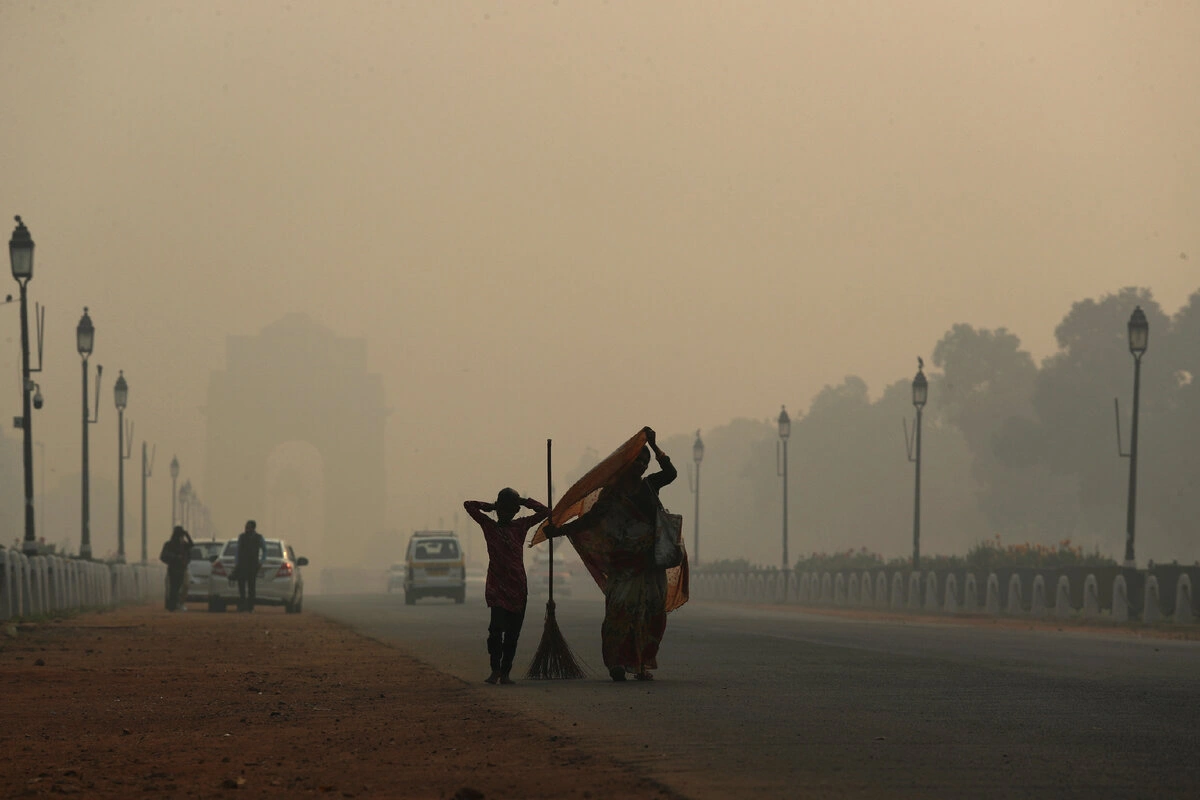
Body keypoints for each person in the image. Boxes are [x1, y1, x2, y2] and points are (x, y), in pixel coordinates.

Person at [545, 427, 676, 682]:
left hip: (650, 561)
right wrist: (558, 531)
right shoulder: (612, 493)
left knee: (651, 611)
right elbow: (590, 520)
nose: (640, 465)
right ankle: (616, 663)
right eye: (636, 460)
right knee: (620, 611)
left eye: (644, 461)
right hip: (624, 561)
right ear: (627, 463)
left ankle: (640, 665)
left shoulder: (650, 486)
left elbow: (671, 474)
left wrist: (655, 446)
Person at [464, 488, 549, 685]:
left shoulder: (520, 526)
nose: (505, 513)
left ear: (515, 512)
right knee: (495, 631)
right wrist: (491, 506)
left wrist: (524, 501)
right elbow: (469, 505)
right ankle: (495, 670)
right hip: (496, 586)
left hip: (517, 587)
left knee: (512, 634)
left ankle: (505, 672)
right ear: (498, 508)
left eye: (510, 510)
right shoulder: (489, 525)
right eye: (502, 509)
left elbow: (546, 513)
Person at [234, 520, 267, 612]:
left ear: (253, 528)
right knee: (241, 587)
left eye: (248, 527)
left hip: (253, 565)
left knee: (251, 587)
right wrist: (237, 563)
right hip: (242, 565)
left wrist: (261, 561)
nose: (246, 528)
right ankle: (242, 605)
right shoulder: (242, 537)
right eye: (246, 526)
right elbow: (238, 550)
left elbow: (265, 550)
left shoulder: (259, 538)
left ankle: (250, 606)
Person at [160, 525, 194, 612]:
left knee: (183, 587)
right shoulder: (169, 544)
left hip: (182, 569)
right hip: (173, 569)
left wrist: (187, 535)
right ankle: (172, 605)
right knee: (173, 589)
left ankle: (179, 603)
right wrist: (175, 557)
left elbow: (191, 545)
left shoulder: (184, 545)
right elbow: (163, 556)